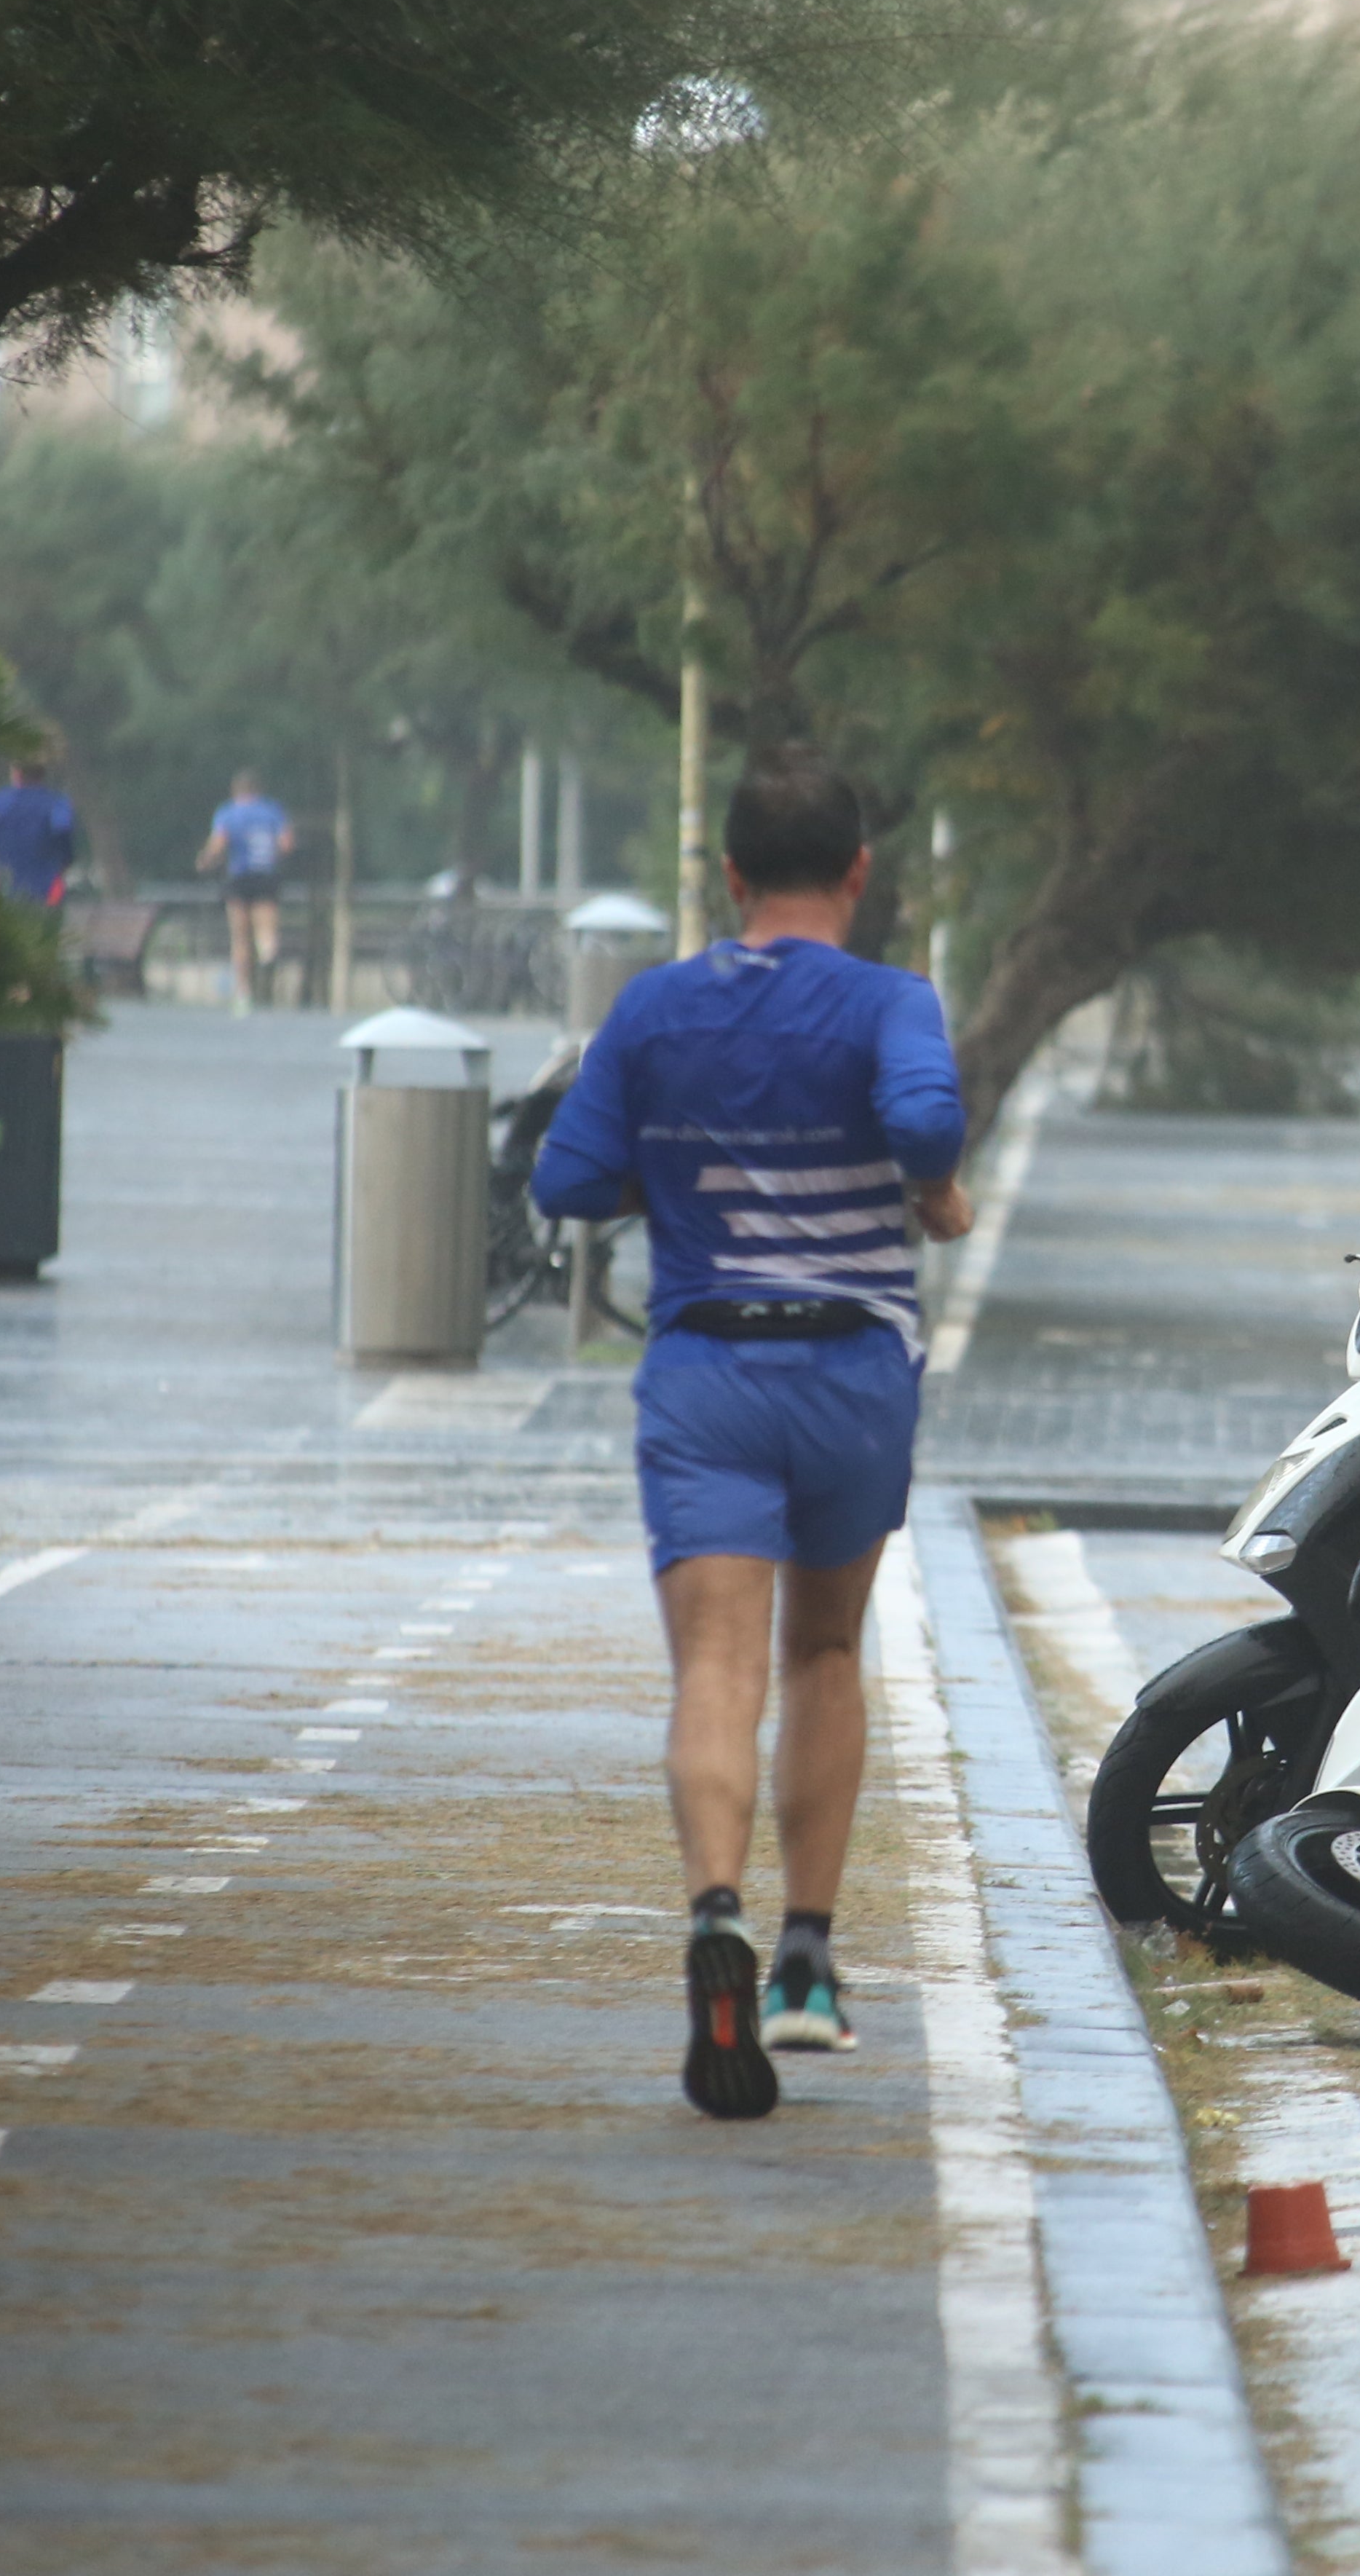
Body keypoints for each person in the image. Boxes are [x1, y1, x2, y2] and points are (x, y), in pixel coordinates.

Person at [529, 747, 973, 2120]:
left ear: (727, 876)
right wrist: (933, 1190)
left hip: (708, 1370)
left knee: (715, 1667)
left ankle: (713, 1910)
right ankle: (803, 1965)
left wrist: (682, 1152)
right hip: (849, 1376)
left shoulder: (657, 1010)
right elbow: (926, 1119)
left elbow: (568, 1178)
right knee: (826, 1649)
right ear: (857, 873)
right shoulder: (894, 1000)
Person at [196, 771, 292, 1011]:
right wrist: (274, 855)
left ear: (236, 790)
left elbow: (219, 843)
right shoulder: (272, 811)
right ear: (258, 790)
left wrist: (205, 860)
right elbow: (286, 844)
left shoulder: (228, 813)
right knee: (266, 929)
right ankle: (268, 953)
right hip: (265, 875)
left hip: (239, 877)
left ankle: (243, 992)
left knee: (240, 936)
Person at [0, 757, 79, 910]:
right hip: (47, 889)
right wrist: (66, 860)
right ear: (42, 774)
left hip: (5, 891)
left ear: (17, 773)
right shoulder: (56, 803)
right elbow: (63, 829)